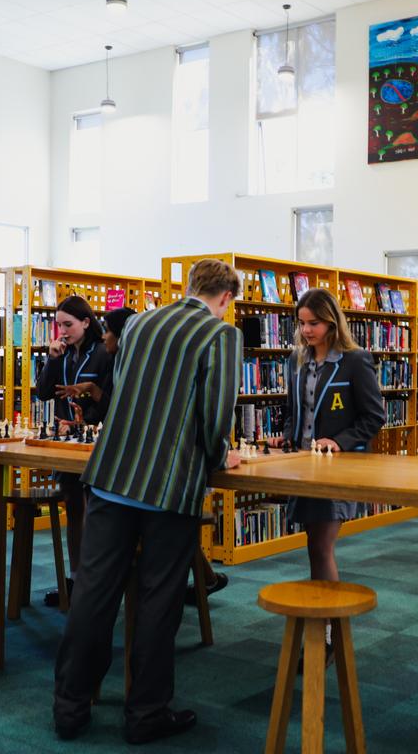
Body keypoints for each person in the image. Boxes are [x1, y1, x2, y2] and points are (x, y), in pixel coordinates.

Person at [53, 258, 242, 745]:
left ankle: (70, 706)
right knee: (159, 600)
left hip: (113, 474)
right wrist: (223, 456)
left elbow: (124, 390)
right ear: (226, 298)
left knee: (93, 592)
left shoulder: (138, 324)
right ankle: (146, 713)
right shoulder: (220, 336)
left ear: (189, 286)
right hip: (167, 483)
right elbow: (214, 412)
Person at [268, 287, 385, 665]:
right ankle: (322, 625)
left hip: (336, 469)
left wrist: (339, 441)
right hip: (302, 467)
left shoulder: (354, 361)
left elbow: (374, 417)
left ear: (332, 321)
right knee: (313, 546)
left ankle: (327, 635)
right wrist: (284, 437)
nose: (306, 331)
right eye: (301, 324)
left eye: (314, 323)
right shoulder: (295, 360)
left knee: (321, 547)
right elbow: (293, 410)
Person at [34, 295, 113, 606]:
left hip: (99, 441)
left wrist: (87, 411)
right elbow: (42, 393)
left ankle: (96, 579)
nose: (62, 331)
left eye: (68, 324)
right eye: (58, 325)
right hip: (69, 443)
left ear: (86, 322)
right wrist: (51, 358)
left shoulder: (104, 353)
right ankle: (77, 577)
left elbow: (108, 399)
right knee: (73, 505)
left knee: (96, 508)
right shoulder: (62, 354)